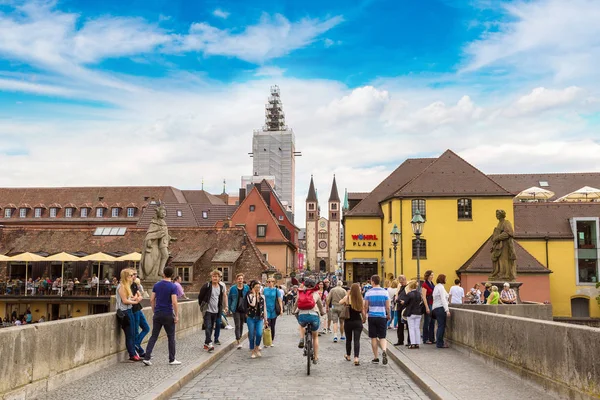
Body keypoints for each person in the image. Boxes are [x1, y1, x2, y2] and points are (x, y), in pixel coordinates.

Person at [142, 266, 180, 366]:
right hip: (168, 313)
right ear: (172, 275)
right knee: (171, 337)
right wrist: (176, 316)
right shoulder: (173, 287)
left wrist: (154, 311)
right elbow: (174, 302)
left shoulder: (157, 285)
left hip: (158, 313)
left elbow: (152, 299)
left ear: (163, 274)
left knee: (154, 336)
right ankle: (172, 359)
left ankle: (147, 357)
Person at [294, 278, 325, 364]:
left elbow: (296, 303)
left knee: (301, 324)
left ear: (304, 285)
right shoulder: (316, 293)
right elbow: (320, 305)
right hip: (314, 316)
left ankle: (301, 339)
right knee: (315, 337)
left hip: (302, 316)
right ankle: (315, 357)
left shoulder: (300, 293)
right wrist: (322, 312)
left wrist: (293, 311)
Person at [198, 270, 228, 351]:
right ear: (211, 277)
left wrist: (223, 307)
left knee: (211, 328)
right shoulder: (207, 286)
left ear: (219, 278)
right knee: (208, 326)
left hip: (216, 310)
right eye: (213, 276)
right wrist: (203, 306)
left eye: (217, 276)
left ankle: (206, 343)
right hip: (207, 310)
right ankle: (210, 343)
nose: (215, 278)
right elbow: (200, 296)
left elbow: (220, 299)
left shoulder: (221, 287)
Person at [116, 268, 142, 361]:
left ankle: (134, 353)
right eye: (131, 275)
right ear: (126, 276)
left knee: (133, 332)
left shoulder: (127, 286)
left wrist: (136, 298)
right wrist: (135, 301)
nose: (132, 277)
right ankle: (132, 354)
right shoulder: (122, 286)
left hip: (129, 310)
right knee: (129, 334)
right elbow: (125, 301)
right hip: (124, 312)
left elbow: (129, 298)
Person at [364, 274, 390, 365]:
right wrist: (389, 315)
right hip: (382, 316)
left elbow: (366, 306)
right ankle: (384, 350)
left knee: (373, 337)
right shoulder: (385, 292)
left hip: (372, 316)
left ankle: (376, 357)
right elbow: (387, 306)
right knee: (382, 337)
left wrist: (364, 316)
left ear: (373, 282)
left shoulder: (368, 292)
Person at [339, 283, 366, 366]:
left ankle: (348, 355)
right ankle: (356, 358)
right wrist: (364, 319)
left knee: (349, 339)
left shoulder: (348, 298)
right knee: (357, 340)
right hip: (358, 321)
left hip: (348, 322)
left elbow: (340, 302)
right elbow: (363, 311)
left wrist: (347, 295)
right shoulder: (361, 299)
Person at [246, 280, 267, 359]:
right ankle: (252, 350)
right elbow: (252, 304)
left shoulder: (262, 297)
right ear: (253, 288)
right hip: (251, 318)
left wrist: (266, 319)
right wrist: (254, 295)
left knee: (259, 333)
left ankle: (257, 347)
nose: (258, 288)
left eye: (259, 287)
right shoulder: (250, 295)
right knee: (251, 335)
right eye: (256, 287)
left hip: (259, 318)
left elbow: (264, 308)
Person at [228, 273, 250, 349]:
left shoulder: (247, 288)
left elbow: (249, 297)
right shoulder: (233, 288)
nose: (240, 280)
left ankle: (239, 337)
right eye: (239, 279)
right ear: (236, 280)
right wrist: (230, 307)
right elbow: (229, 298)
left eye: (241, 279)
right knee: (237, 325)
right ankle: (238, 341)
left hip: (244, 309)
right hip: (235, 309)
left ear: (243, 280)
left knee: (241, 324)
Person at [131, 275, 150, 357]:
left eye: (135, 274)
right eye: (133, 274)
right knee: (136, 331)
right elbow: (131, 298)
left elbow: (140, 296)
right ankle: (140, 351)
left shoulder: (134, 285)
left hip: (138, 308)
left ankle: (137, 344)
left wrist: (136, 297)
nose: (135, 276)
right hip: (133, 310)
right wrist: (136, 297)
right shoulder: (127, 286)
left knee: (146, 328)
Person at [432, 274, 451, 348]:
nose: (446, 280)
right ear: (443, 279)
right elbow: (443, 299)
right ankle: (440, 343)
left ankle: (439, 342)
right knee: (441, 326)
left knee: (439, 325)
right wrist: (447, 310)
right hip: (440, 308)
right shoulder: (441, 288)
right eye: (445, 278)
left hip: (435, 308)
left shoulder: (436, 287)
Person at [263, 277, 283, 346]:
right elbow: (262, 298)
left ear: (273, 282)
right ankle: (266, 340)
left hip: (274, 309)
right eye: (268, 282)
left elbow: (279, 300)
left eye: (271, 282)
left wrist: (281, 309)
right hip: (266, 309)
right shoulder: (264, 290)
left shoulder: (276, 290)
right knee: (267, 323)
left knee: (273, 325)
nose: (269, 283)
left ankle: (272, 340)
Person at [404, 281, 423, 349]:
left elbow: (406, 303)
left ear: (410, 286)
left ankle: (412, 343)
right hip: (418, 312)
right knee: (417, 328)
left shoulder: (409, 294)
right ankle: (417, 343)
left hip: (411, 313)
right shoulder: (419, 294)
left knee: (411, 328)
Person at [394, 275, 410, 346]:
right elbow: (397, 294)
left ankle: (409, 341)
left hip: (406, 308)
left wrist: (405, 301)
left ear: (405, 280)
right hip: (399, 307)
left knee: (408, 325)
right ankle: (400, 340)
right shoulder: (400, 286)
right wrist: (396, 299)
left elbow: (410, 296)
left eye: (402, 282)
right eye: (400, 282)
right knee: (400, 325)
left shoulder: (409, 286)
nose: (401, 283)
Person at [421, 270, 436, 344]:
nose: (432, 276)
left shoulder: (432, 284)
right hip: (428, 303)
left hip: (433, 304)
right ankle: (425, 338)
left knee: (432, 321)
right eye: (431, 275)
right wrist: (426, 307)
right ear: (428, 276)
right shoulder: (425, 284)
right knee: (427, 321)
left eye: (433, 275)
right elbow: (423, 296)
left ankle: (431, 338)